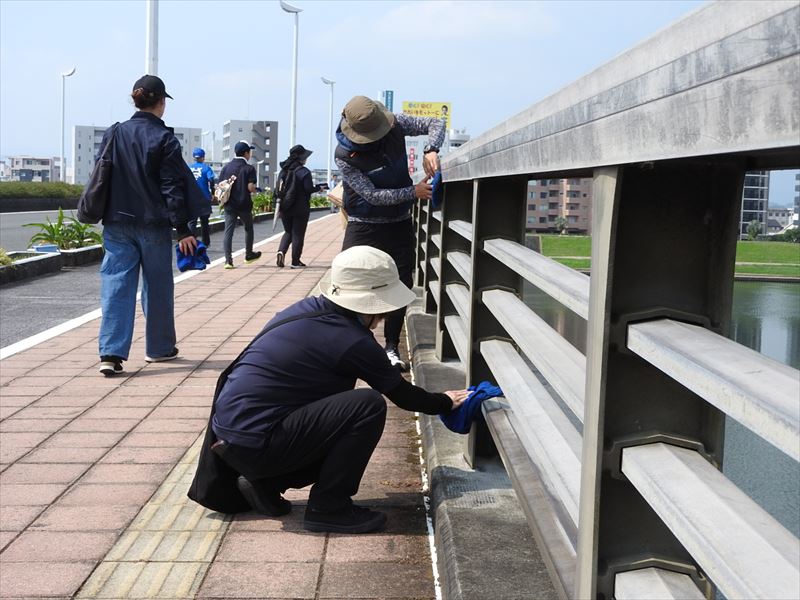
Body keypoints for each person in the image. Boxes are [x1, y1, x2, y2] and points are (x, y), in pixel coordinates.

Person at [201, 245, 468, 533]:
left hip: (232, 439)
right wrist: (445, 401)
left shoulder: (304, 310)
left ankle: (265, 483)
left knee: (334, 412)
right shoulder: (353, 341)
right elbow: (403, 395)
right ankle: (329, 507)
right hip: (260, 443)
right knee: (366, 406)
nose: (383, 317)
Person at [97, 75, 198, 377]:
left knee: (116, 285)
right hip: (153, 225)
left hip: (116, 221)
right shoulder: (164, 138)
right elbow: (172, 188)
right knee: (157, 287)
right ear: (161, 103)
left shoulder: (114, 133)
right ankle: (159, 348)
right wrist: (183, 229)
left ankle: (111, 354)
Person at [334, 95, 444, 371]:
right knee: (348, 281)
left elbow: (435, 121)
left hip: (399, 221)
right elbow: (371, 195)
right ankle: (347, 345)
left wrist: (432, 149)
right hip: (363, 222)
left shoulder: (394, 123)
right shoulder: (344, 155)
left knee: (401, 284)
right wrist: (413, 192)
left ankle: (391, 347)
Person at [276, 144, 326, 269]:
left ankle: (281, 251)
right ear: (301, 158)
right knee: (298, 234)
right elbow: (308, 189)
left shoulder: (284, 171)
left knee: (288, 231)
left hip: (285, 206)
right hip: (300, 208)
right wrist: (318, 188)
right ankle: (295, 261)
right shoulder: (304, 172)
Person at [219, 141, 261, 269]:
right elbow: (250, 187)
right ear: (246, 153)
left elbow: (220, 185)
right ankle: (248, 255)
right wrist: (256, 189)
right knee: (248, 228)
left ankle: (228, 261)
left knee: (228, 231)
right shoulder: (249, 168)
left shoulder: (226, 168)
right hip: (244, 204)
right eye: (249, 152)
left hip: (229, 205)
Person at [189, 147, 215, 247]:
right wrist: (213, 192)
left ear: (194, 157)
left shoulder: (188, 167)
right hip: (204, 198)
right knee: (204, 222)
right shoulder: (206, 168)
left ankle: (192, 243)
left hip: (191, 198)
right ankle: (205, 243)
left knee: (192, 222)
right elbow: (211, 180)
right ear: (203, 157)